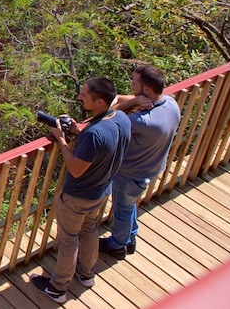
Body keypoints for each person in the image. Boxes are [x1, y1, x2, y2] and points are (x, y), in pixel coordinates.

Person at [31, 77, 131, 303]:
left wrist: (61, 140)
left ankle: (58, 288)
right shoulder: (122, 119)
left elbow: (76, 169)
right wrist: (79, 130)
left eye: (84, 95)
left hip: (78, 197)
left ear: (100, 102)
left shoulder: (94, 135)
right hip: (101, 191)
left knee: (69, 241)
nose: (79, 97)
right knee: (90, 231)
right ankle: (86, 275)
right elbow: (103, 144)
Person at [99, 65, 181, 259]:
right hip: (152, 167)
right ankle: (130, 236)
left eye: (134, 83)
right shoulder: (171, 104)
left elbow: (105, 119)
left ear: (146, 90)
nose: (131, 85)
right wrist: (133, 99)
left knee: (122, 208)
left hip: (130, 173)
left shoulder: (143, 121)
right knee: (128, 204)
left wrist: (130, 102)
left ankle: (118, 245)